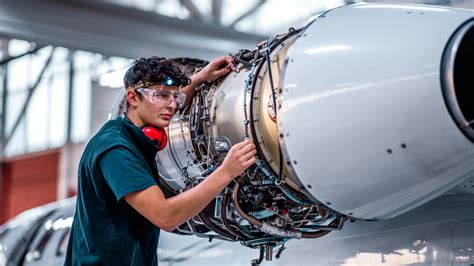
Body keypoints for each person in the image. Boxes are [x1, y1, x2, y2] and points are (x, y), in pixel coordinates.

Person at [64, 56, 257, 265]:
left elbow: (166, 100)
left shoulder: (129, 133)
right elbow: (166, 217)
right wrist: (226, 172)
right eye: (162, 95)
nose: (172, 106)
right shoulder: (116, 150)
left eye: (175, 97)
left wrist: (202, 76)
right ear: (132, 97)